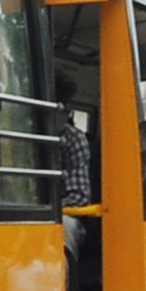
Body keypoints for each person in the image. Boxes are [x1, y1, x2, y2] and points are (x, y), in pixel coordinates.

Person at [59, 76, 91, 261]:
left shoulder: (73, 139)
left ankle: (64, 289)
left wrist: (48, 210)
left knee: (64, 228)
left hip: (62, 213)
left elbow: (79, 197)